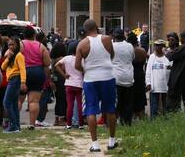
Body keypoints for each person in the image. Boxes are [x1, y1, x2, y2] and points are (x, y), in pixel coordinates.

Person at [75, 19, 117, 152]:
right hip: (108, 76)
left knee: (91, 110)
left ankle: (95, 144)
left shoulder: (81, 44)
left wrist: (86, 70)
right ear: (97, 27)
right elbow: (112, 55)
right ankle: (111, 140)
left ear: (85, 30)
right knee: (110, 109)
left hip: (90, 79)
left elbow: (77, 65)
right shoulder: (107, 39)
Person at [20, 26, 51, 130]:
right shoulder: (41, 46)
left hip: (23, 72)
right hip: (37, 72)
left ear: (23, 35)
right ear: (34, 35)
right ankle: (32, 124)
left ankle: (14, 122)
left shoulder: (21, 44)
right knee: (34, 101)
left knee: (19, 100)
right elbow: (47, 63)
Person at [1, 36, 27, 133]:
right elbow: (3, 67)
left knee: (6, 102)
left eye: (13, 45)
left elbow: (23, 69)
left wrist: (23, 82)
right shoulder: (11, 56)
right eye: (9, 45)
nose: (11, 47)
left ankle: (13, 125)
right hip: (11, 80)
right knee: (13, 104)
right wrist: (8, 58)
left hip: (16, 79)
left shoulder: (19, 55)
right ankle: (17, 126)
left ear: (17, 45)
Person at [55, 41, 83, 130]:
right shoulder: (81, 59)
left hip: (69, 83)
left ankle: (69, 124)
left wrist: (64, 75)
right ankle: (81, 124)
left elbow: (56, 65)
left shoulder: (66, 58)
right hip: (79, 84)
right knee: (79, 105)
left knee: (69, 105)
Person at [112, 28, 135, 126]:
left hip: (116, 78)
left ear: (114, 37)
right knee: (128, 103)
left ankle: (115, 121)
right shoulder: (129, 46)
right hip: (129, 78)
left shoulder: (111, 46)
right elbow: (132, 58)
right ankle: (127, 122)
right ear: (123, 36)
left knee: (117, 102)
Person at [146, 40, 171, 119]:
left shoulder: (167, 57)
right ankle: (153, 121)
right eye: (156, 45)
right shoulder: (152, 57)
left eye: (159, 45)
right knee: (154, 106)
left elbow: (170, 70)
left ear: (162, 46)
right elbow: (148, 71)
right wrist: (148, 83)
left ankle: (166, 120)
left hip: (165, 86)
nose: (157, 47)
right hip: (154, 86)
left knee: (165, 106)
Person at [127, 32, 147, 119]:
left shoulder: (128, 51)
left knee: (130, 98)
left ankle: (130, 118)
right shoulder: (142, 51)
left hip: (131, 75)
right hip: (140, 75)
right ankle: (142, 118)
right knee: (140, 99)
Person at [50, 42, 67, 126]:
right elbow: (64, 68)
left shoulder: (53, 59)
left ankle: (56, 119)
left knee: (58, 99)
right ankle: (62, 119)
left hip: (55, 79)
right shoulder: (61, 59)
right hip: (61, 79)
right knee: (63, 99)